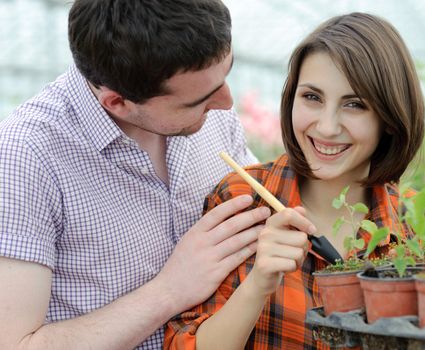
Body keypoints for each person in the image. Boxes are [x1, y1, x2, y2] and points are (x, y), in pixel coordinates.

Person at [164, 12, 425, 349]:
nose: (327, 127)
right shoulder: (241, 201)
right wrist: (258, 284)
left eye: (355, 104)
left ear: (388, 118)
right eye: (312, 98)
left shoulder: (417, 221)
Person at [0, 1, 272, 349]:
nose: (226, 103)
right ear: (117, 103)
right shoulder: (25, 157)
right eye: (196, 101)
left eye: (227, 73)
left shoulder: (209, 107)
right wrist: (169, 292)